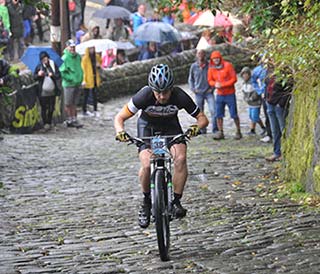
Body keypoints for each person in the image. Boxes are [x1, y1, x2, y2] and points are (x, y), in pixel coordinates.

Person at [114, 63, 209, 228]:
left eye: (165, 92)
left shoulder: (179, 96)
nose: (162, 96)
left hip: (171, 127)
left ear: (171, 88)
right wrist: (120, 131)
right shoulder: (143, 96)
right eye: (158, 92)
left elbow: (202, 118)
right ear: (152, 89)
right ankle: (146, 202)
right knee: (146, 164)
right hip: (147, 128)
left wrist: (195, 128)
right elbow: (119, 118)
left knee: (180, 158)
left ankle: (176, 202)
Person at [207, 50, 242, 140]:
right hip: (219, 94)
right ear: (212, 60)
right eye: (214, 59)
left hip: (230, 93)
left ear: (220, 58)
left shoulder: (228, 65)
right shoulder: (211, 68)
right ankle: (220, 132)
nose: (216, 60)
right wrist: (215, 84)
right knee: (218, 114)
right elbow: (210, 80)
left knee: (234, 114)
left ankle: (238, 131)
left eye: (217, 58)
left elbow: (234, 79)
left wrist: (223, 84)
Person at [265, 67, 292, 162]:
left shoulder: (285, 71)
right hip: (270, 103)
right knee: (274, 131)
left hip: (279, 105)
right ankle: (276, 152)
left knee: (283, 129)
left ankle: (285, 153)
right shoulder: (269, 70)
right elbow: (267, 85)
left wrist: (280, 103)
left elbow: (289, 89)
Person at [188, 49, 218, 134]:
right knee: (200, 113)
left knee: (213, 110)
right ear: (196, 55)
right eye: (199, 53)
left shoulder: (210, 66)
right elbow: (191, 79)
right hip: (198, 93)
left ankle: (215, 129)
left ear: (205, 55)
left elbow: (215, 77)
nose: (200, 55)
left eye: (202, 53)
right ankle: (202, 129)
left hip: (208, 92)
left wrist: (212, 88)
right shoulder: (193, 66)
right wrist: (193, 89)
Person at [34, 51, 61, 131]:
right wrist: (39, 75)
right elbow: (34, 77)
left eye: (45, 58)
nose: (45, 60)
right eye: (43, 59)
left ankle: (49, 122)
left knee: (51, 107)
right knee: (44, 107)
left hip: (52, 90)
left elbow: (58, 75)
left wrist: (52, 75)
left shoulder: (53, 65)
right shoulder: (39, 67)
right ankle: (45, 123)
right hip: (42, 91)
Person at [59, 39, 83, 128]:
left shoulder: (78, 57)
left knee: (74, 103)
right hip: (69, 84)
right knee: (68, 103)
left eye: (74, 47)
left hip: (77, 83)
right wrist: (71, 79)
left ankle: (74, 118)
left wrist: (80, 78)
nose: (73, 49)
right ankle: (69, 119)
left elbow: (79, 68)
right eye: (71, 47)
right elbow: (62, 72)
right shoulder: (64, 58)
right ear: (67, 47)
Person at [240, 66, 266, 135]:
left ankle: (263, 127)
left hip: (255, 102)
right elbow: (244, 92)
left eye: (246, 74)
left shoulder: (253, 82)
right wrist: (245, 98)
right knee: (251, 116)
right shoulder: (244, 83)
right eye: (243, 74)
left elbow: (257, 91)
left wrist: (252, 98)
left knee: (255, 116)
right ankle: (252, 129)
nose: (245, 76)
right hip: (250, 103)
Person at [252, 56, 272, 143]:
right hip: (264, 94)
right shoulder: (258, 70)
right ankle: (269, 134)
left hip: (273, 94)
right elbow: (253, 81)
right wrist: (259, 91)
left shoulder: (273, 69)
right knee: (267, 114)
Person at [81, 46, 102, 117]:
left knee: (95, 95)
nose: (92, 50)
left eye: (93, 48)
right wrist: (84, 80)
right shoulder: (85, 59)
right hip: (88, 79)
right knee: (86, 95)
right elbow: (83, 70)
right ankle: (84, 110)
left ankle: (95, 110)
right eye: (90, 49)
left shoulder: (96, 57)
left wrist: (98, 65)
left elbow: (100, 63)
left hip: (95, 78)